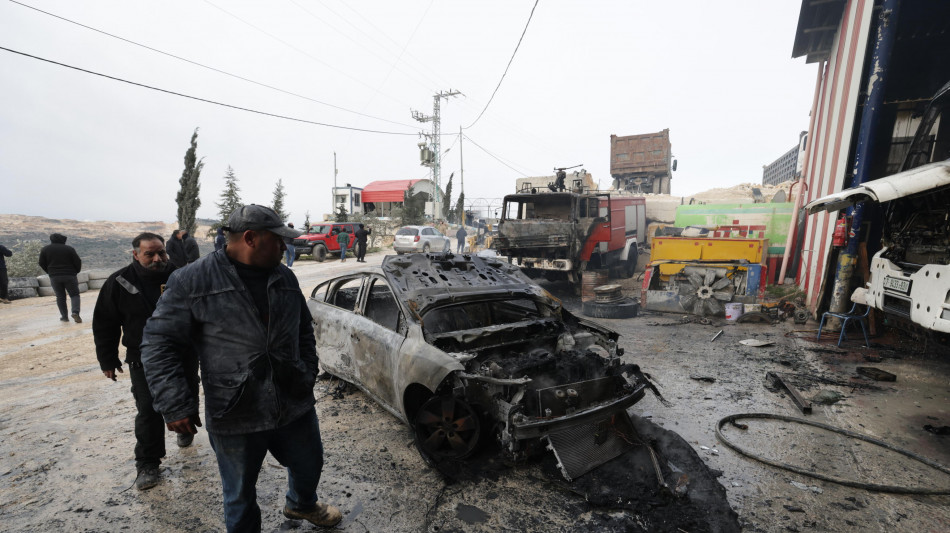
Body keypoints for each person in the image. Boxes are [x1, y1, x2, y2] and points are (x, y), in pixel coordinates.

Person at [141, 204, 341, 532]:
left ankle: (301, 505)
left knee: (309, 464)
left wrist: (307, 372)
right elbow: (158, 344)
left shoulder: (284, 276)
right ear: (250, 238)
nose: (284, 247)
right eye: (277, 240)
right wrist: (175, 403)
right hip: (235, 409)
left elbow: (304, 329)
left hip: (293, 400)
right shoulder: (192, 280)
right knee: (239, 494)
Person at [92, 232, 199, 491]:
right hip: (141, 357)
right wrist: (107, 359)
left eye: (161, 252)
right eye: (149, 254)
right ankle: (148, 463)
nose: (157, 258)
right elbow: (105, 322)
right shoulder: (119, 282)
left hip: (182, 351)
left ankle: (186, 426)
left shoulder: (181, 276)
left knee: (188, 392)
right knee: (149, 409)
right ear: (136, 254)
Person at [38, 233, 82, 322]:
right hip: (69, 275)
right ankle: (75, 312)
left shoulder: (45, 249)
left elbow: (41, 263)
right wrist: (75, 271)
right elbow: (78, 261)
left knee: (60, 296)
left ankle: (64, 317)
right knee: (74, 295)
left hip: (54, 276)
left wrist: (50, 272)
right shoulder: (69, 249)